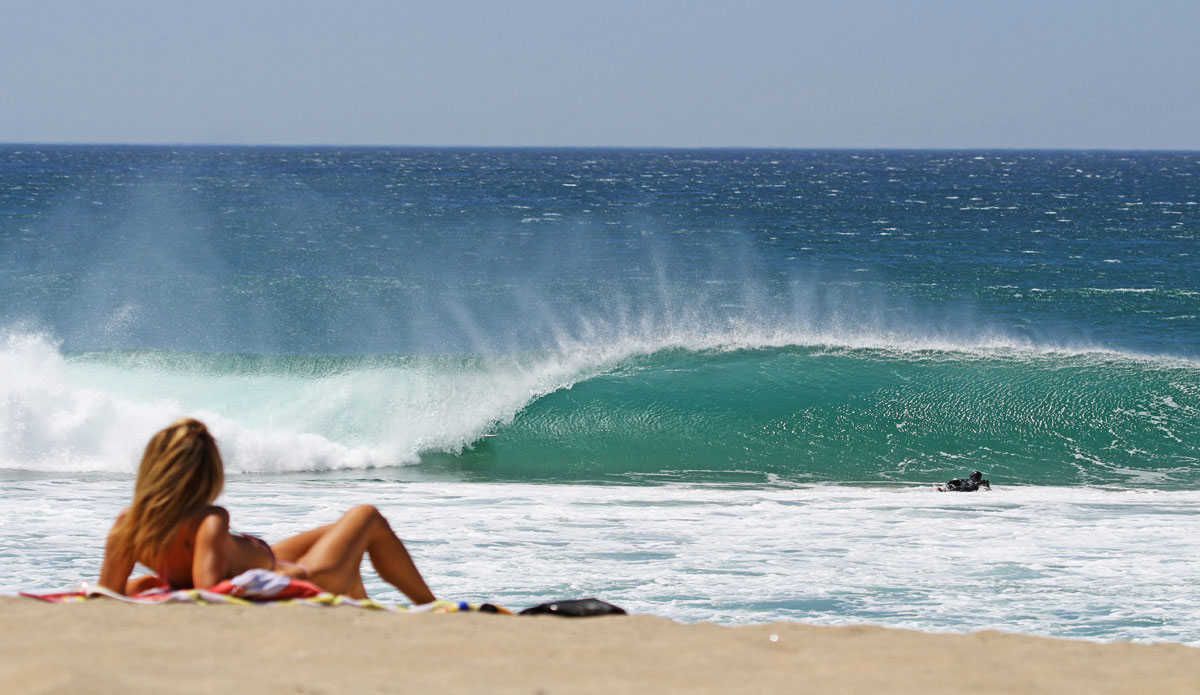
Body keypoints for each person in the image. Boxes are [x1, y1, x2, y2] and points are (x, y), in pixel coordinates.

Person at [99, 418, 436, 604]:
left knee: (340, 531)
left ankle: (358, 605)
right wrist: (288, 577)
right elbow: (211, 592)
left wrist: (141, 586)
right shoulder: (208, 521)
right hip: (304, 577)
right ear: (206, 473)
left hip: (268, 557)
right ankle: (429, 604)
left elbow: (105, 594)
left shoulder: (128, 525)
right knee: (366, 516)